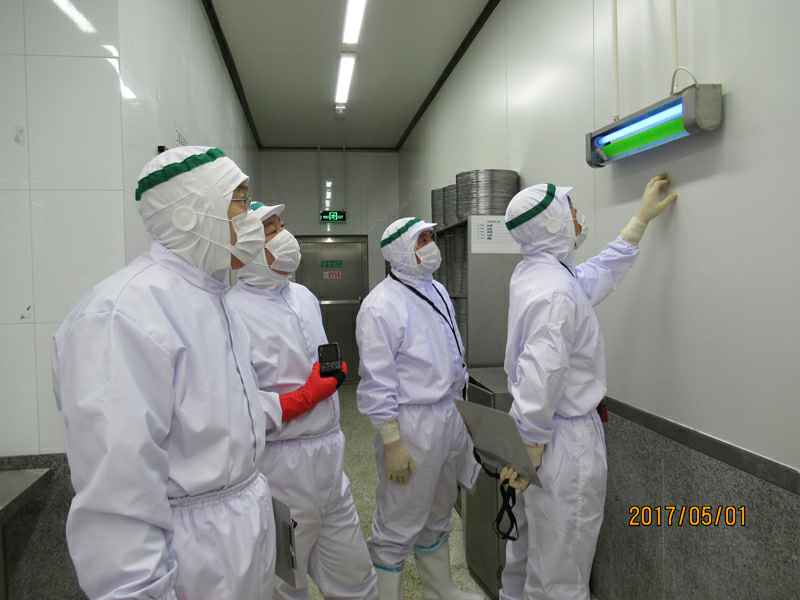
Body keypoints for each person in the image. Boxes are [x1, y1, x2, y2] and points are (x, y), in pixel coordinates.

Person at [52, 147, 337, 600]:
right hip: (194, 554)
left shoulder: (214, 300)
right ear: (189, 213)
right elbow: (118, 500)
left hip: (244, 527)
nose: (251, 218)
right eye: (240, 201)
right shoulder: (122, 314)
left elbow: (224, 414)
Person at [497, 174, 677, 600]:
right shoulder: (556, 291)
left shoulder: (537, 273)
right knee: (560, 575)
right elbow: (543, 374)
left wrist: (639, 222)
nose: (577, 214)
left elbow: (591, 278)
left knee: (526, 559)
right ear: (553, 223)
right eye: (570, 208)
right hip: (561, 444)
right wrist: (532, 445)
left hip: (537, 435)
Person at [226, 202, 379, 600]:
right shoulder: (230, 311)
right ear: (246, 245)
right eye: (271, 230)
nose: (284, 237)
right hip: (281, 471)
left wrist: (330, 373)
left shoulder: (305, 297)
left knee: (356, 577)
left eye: (281, 226)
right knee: (284, 584)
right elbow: (232, 409)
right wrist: (304, 397)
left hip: (331, 460)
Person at [356, 217, 482, 600]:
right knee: (399, 517)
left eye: (430, 237)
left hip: (449, 413)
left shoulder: (437, 290)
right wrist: (392, 442)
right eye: (421, 239)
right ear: (400, 251)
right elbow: (377, 381)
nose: (431, 245)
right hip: (412, 424)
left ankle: (440, 589)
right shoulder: (380, 305)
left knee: (440, 507)